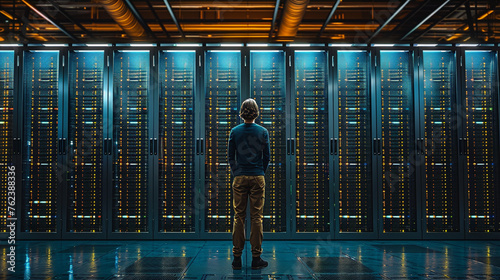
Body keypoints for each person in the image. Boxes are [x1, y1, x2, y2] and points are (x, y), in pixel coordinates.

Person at [228, 98, 270, 270]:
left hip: (239, 177)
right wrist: (260, 171)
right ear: (256, 112)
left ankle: (237, 259)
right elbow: (266, 157)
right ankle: (256, 258)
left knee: (239, 217)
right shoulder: (263, 131)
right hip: (257, 177)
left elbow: (231, 157)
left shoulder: (235, 131)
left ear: (242, 112)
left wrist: (237, 172)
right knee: (256, 217)